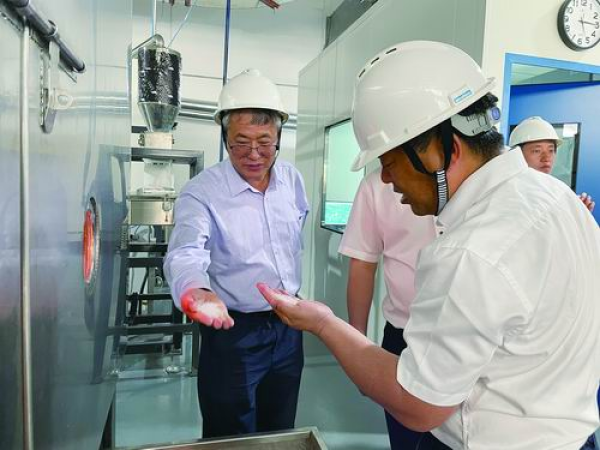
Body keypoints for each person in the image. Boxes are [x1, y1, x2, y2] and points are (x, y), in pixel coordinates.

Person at [257, 41, 600, 449]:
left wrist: (323, 323)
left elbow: (418, 405)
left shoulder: (469, 251)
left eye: (389, 163)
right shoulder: (559, 199)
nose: (386, 180)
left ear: (446, 150)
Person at [164, 68, 309, 439]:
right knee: (230, 433)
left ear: (279, 137)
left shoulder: (291, 181)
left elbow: (295, 233)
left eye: (265, 142)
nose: (254, 154)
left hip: (289, 326)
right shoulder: (202, 192)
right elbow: (185, 251)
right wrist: (196, 289)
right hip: (233, 332)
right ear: (225, 138)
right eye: (241, 143)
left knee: (280, 429)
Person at [338, 168, 437, 449]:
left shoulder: (473, 177)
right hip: (402, 335)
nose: (387, 173)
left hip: (466, 334)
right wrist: (357, 348)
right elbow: (362, 263)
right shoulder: (376, 184)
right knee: (405, 436)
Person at [509, 116, 595, 212]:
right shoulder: (509, 193)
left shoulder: (554, 192)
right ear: (516, 154)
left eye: (551, 150)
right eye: (537, 151)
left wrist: (576, 214)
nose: (546, 158)